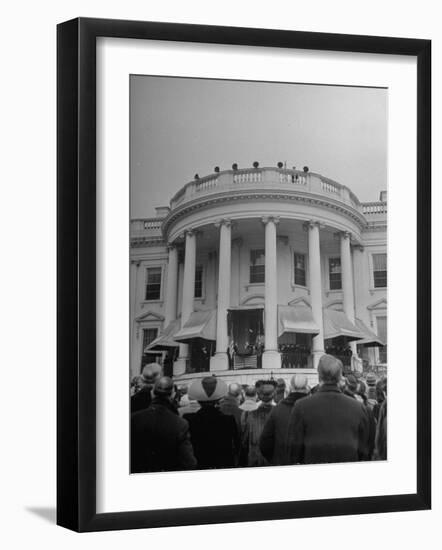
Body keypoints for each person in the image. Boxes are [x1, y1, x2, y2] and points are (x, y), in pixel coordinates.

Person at [286, 354, 370, 464]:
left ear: (319, 376)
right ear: (340, 377)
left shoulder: (301, 406)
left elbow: (293, 451)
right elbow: (365, 450)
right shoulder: (358, 408)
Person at [130, 376, 197, 473]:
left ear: (152, 394)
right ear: (173, 395)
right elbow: (189, 463)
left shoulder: (133, 418)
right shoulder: (180, 423)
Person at [184, 376, 240, 469]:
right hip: (222, 464)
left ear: (198, 400)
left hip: (199, 465)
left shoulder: (189, 419)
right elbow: (236, 444)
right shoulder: (228, 420)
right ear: (217, 400)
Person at [259, 374, 310, 465]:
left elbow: (264, 442)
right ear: (307, 389)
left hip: (282, 463)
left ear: (290, 388)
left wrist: (275, 459)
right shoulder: (312, 408)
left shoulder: (277, 409)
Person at [241, 380, 276, 467]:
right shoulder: (277, 411)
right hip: (272, 458)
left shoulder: (249, 412)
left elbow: (245, 437)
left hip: (254, 458)